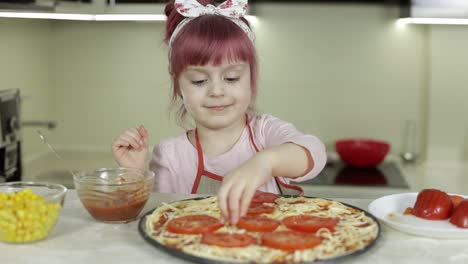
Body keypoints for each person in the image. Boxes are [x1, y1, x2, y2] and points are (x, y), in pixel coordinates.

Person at [111, 0, 327, 224]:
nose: (216, 91)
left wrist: (266, 162)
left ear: (251, 77)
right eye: (199, 80)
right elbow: (156, 218)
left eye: (231, 78)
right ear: (177, 84)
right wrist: (135, 173)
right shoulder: (170, 155)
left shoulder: (266, 133)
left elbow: (315, 152)